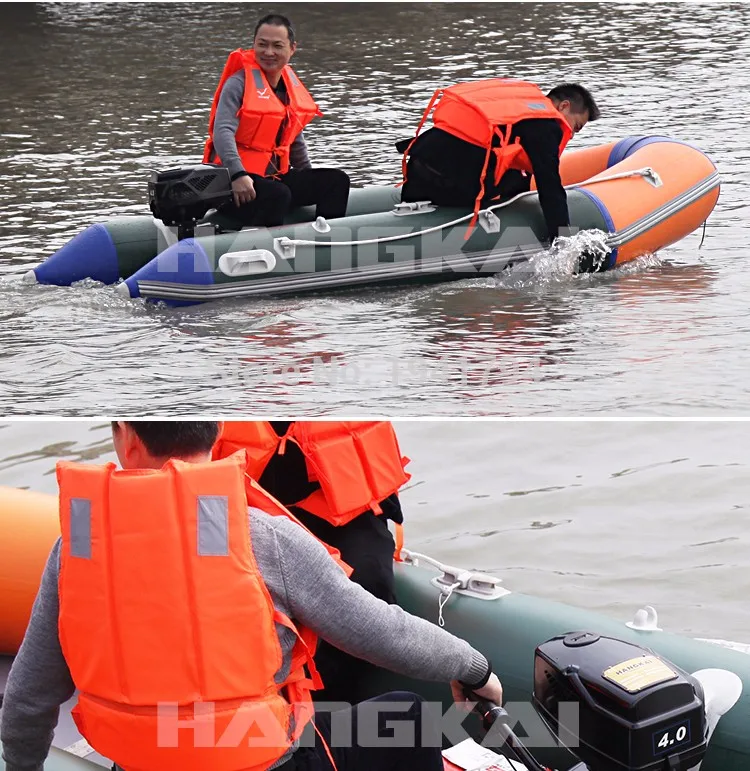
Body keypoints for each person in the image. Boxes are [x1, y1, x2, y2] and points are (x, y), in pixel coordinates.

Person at [1, 421, 503, 771]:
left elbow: (27, 697)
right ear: (218, 432)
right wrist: (474, 669)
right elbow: (378, 630)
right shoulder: (261, 536)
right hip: (259, 760)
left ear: (125, 439)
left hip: (139, 762)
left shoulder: (77, 546)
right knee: (407, 716)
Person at [211, 421, 409, 704]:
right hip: (241, 506)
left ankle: (337, 712)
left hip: (342, 504)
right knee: (235, 600)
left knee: (370, 582)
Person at [398, 81, 601, 245]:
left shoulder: (520, 106)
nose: (571, 135)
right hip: (445, 183)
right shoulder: (546, 126)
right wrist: (562, 239)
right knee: (520, 182)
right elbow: (549, 186)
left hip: (417, 172)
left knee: (514, 172)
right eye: (576, 127)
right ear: (563, 106)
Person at [203, 14, 351, 229]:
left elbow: (294, 137)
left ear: (292, 48)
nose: (268, 52)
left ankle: (327, 246)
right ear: (253, 45)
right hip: (232, 182)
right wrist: (237, 174)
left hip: (273, 176)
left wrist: (307, 175)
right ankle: (260, 252)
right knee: (277, 195)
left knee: (336, 181)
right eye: (262, 45)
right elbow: (222, 132)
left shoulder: (289, 87)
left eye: (277, 46)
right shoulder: (238, 85)